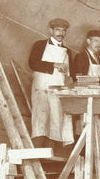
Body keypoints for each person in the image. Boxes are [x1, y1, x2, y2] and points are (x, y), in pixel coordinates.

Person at [27, 17, 74, 150]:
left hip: (58, 90)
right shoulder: (40, 45)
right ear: (51, 30)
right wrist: (54, 65)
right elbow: (32, 63)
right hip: (42, 88)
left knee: (56, 120)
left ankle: (49, 155)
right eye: (58, 30)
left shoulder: (67, 51)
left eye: (63, 31)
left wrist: (69, 83)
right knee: (40, 120)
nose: (61, 33)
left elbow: (71, 73)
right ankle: (36, 153)